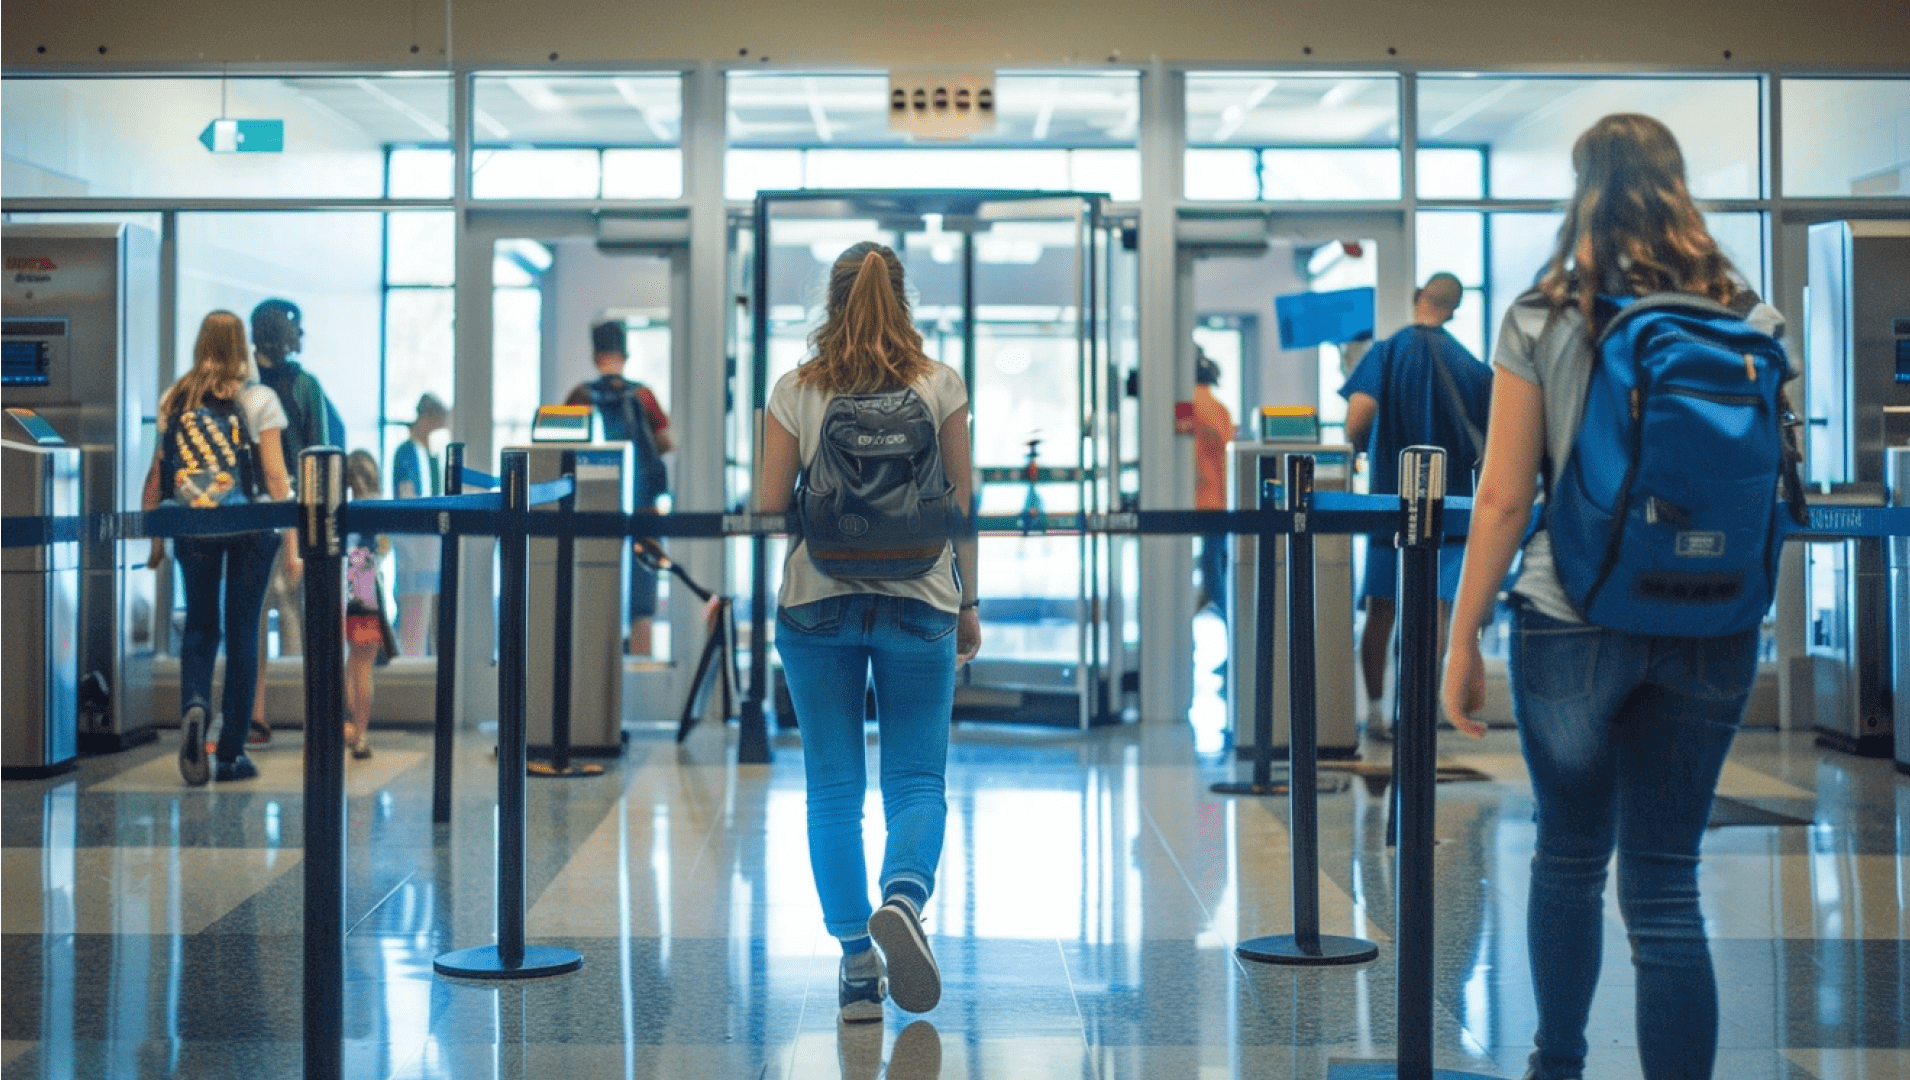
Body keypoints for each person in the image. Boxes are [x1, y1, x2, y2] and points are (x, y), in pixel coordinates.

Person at [1442, 113, 1786, 1080]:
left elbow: (1507, 497)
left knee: (1569, 857)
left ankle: (1559, 1064)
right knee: (1668, 885)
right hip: (1716, 616)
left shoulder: (1543, 313)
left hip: (1572, 613)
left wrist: (1461, 636)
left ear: (1582, 186)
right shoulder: (1746, 314)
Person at [756, 242, 981, 1024]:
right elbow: (961, 500)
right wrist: (970, 603)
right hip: (922, 595)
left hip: (816, 601)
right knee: (918, 780)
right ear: (903, 301)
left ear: (834, 299)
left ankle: (857, 966)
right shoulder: (940, 383)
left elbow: (763, 502)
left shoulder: (795, 388)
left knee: (832, 790)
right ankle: (903, 898)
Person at [144, 310, 298, 785]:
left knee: (200, 626)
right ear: (242, 346)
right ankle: (231, 751)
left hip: (192, 524)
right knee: (243, 631)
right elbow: (275, 476)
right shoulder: (259, 398)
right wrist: (292, 541)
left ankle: (194, 704)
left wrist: (155, 539)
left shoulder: (176, 397)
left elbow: (158, 473)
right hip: (250, 526)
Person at [1340, 272, 1491, 740]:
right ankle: (1418, 710)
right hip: (1453, 510)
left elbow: (1356, 421)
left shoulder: (1384, 353)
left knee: (1381, 610)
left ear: (1417, 297)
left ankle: (1380, 713)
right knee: (1437, 612)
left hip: (1391, 504)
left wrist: (1369, 448)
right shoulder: (1471, 367)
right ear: (1454, 308)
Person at [247, 298, 343, 744]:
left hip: (281, 516)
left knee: (289, 618)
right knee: (268, 618)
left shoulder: (257, 386)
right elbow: (322, 451)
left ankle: (286, 714)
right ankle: (265, 714)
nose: (301, 338)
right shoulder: (295, 386)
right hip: (276, 514)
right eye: (296, 328)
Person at [566, 321, 674, 656]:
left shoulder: (581, 395)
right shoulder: (643, 395)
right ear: (625, 355)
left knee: (596, 589)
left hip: (595, 508)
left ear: (596, 356)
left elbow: (562, 446)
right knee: (642, 599)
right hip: (643, 508)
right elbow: (667, 442)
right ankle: (641, 673)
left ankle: (598, 671)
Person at [390, 393, 449, 657]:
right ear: (426, 420)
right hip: (414, 544)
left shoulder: (427, 454)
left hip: (429, 545)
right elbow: (408, 495)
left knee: (425, 611)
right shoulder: (406, 453)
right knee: (412, 612)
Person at [343, 449, 392, 760]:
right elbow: (383, 548)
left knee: (349, 662)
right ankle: (360, 734)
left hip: (340, 573)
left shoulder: (342, 508)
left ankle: (346, 726)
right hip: (363, 577)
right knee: (363, 665)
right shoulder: (376, 508)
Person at [1191, 348, 1234, 616]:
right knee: (1214, 564)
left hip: (1200, 498)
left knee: (1211, 571)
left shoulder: (1185, 404)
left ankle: (1232, 621)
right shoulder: (1221, 410)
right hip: (1220, 498)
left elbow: (1179, 445)